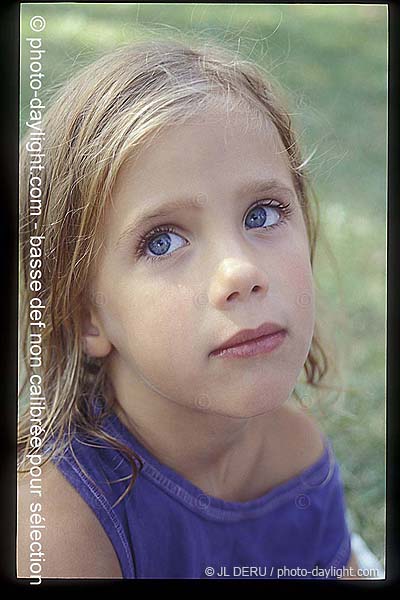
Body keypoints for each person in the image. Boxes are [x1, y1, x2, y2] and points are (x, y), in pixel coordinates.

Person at [17, 39, 362, 580]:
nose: (240, 273)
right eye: (162, 242)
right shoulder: (55, 528)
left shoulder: (297, 460)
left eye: (262, 214)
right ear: (86, 314)